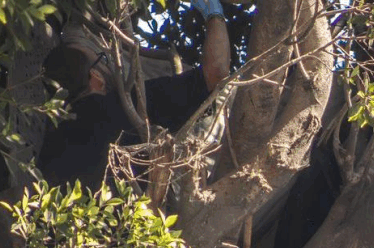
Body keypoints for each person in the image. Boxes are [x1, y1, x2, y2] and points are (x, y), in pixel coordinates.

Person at [37, 0, 231, 190]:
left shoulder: (48, 146)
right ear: (95, 77)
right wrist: (213, 11)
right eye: (102, 59)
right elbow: (215, 73)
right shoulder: (115, 109)